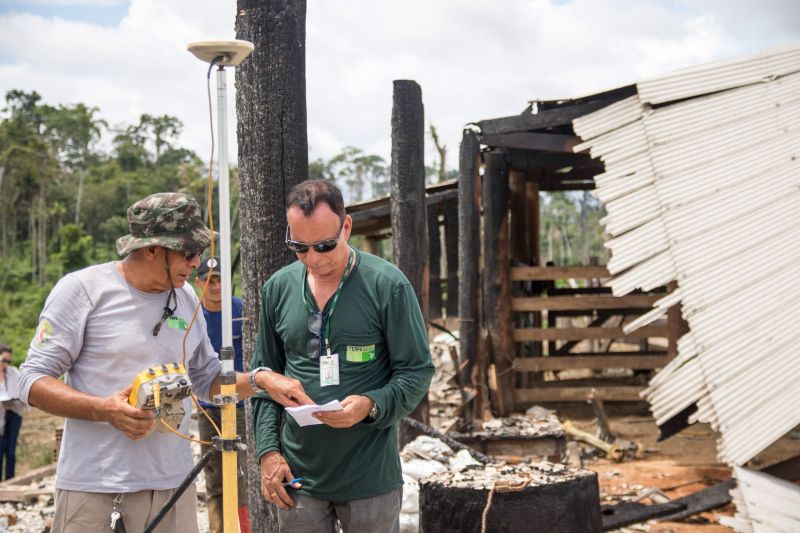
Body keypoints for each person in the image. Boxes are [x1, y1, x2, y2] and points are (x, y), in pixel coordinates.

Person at [19, 192, 311, 533]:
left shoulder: (186, 297)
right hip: (96, 487)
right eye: (188, 252)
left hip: (174, 487)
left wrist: (262, 380)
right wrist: (105, 410)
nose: (195, 262)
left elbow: (207, 379)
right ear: (152, 249)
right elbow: (31, 380)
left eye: (200, 251)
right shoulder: (83, 291)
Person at [250, 180, 434, 533]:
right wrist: (269, 453)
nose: (314, 259)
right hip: (298, 479)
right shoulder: (278, 288)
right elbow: (265, 378)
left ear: (346, 227)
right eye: (300, 248)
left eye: (324, 245)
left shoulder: (387, 286)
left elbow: (416, 371)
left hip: (369, 480)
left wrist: (371, 404)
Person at [193, 256, 250, 533]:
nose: (216, 286)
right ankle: (219, 529)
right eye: (210, 280)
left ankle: (244, 527)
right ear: (198, 282)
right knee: (214, 478)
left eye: (220, 280)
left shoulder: (240, 310)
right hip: (207, 408)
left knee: (242, 476)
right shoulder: (192, 318)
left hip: (239, 408)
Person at [0, 344, 25, 480]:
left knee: (10, 450)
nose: (6, 364)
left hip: (14, 411)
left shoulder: (14, 372)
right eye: (4, 360)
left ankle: (10, 479)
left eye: (9, 361)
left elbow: (20, 393)